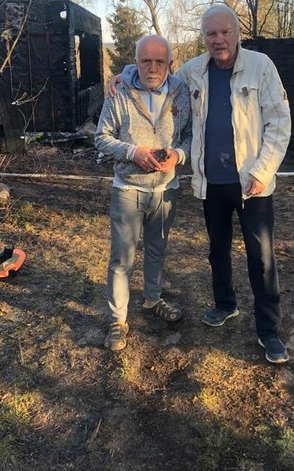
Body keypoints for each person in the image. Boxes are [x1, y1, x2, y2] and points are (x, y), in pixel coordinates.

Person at [109, 4, 291, 363]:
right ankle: (225, 304)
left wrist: (263, 171)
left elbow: (280, 122)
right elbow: (156, 72)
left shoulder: (261, 67)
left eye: (225, 32)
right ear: (204, 37)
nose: (218, 40)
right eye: (211, 34)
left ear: (237, 33)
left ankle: (269, 331)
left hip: (252, 183)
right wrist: (123, 74)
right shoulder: (194, 70)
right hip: (212, 183)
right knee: (217, 250)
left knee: (262, 258)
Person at [95, 35, 192, 351]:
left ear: (169, 64)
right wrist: (132, 152)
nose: (152, 68)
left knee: (157, 250)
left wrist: (179, 155)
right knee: (122, 258)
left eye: (159, 61)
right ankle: (117, 320)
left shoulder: (181, 92)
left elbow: (191, 137)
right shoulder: (119, 92)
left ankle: (152, 299)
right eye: (145, 61)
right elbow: (101, 137)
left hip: (166, 190)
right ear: (135, 62)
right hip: (128, 189)